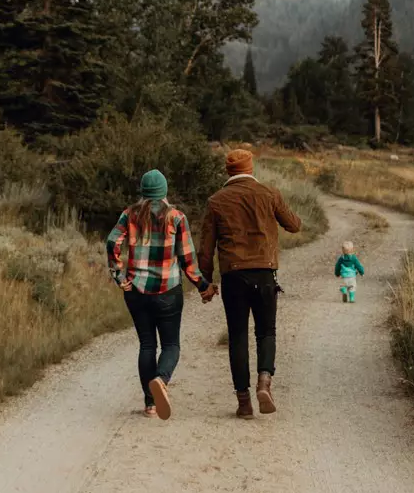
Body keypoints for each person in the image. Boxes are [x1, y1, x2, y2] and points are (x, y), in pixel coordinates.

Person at [197, 147, 302, 418]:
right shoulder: (269, 193)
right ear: (250, 168)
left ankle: (243, 403)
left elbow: (205, 250)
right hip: (265, 273)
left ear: (228, 170)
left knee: (238, 336)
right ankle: (264, 382)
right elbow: (294, 225)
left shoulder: (216, 201)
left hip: (233, 275)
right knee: (266, 331)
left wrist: (205, 282)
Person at [106, 169, 214, 420]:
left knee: (147, 344)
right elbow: (188, 259)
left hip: (136, 291)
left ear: (143, 191)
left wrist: (119, 276)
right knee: (171, 344)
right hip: (167, 290)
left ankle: (150, 404)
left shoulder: (129, 215)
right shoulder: (176, 217)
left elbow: (112, 242)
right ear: (164, 192)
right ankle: (161, 380)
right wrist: (202, 285)